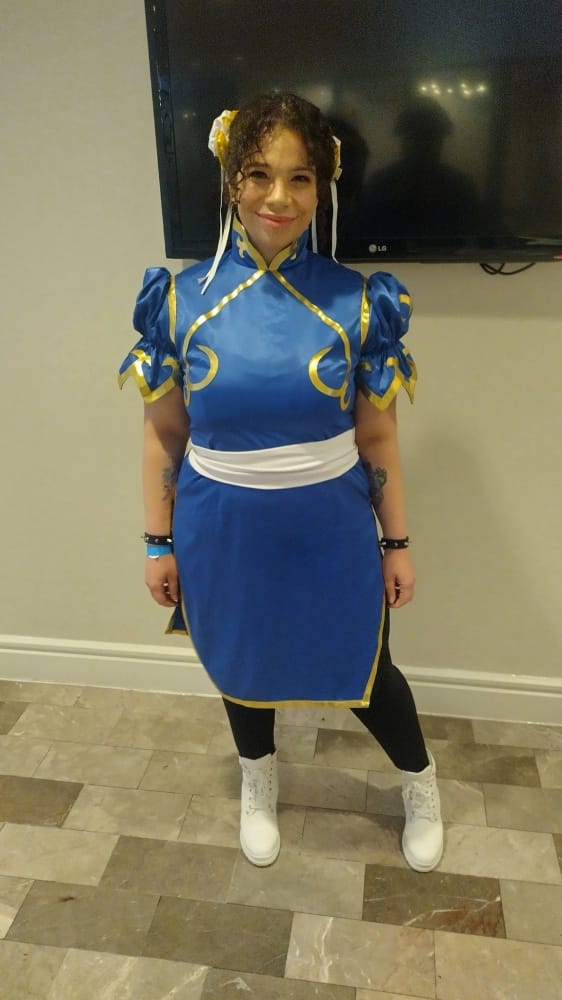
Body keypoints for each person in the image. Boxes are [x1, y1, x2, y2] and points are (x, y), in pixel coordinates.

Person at [119, 92, 443, 873]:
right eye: (259, 174)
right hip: (219, 525)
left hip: (330, 524)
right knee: (242, 659)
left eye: (301, 179)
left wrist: (396, 542)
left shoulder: (357, 303)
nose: (279, 197)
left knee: (369, 671)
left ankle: (422, 784)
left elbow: (377, 435)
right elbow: (164, 436)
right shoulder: (180, 302)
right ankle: (257, 780)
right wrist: (158, 542)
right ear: (230, 178)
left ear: (322, 188)